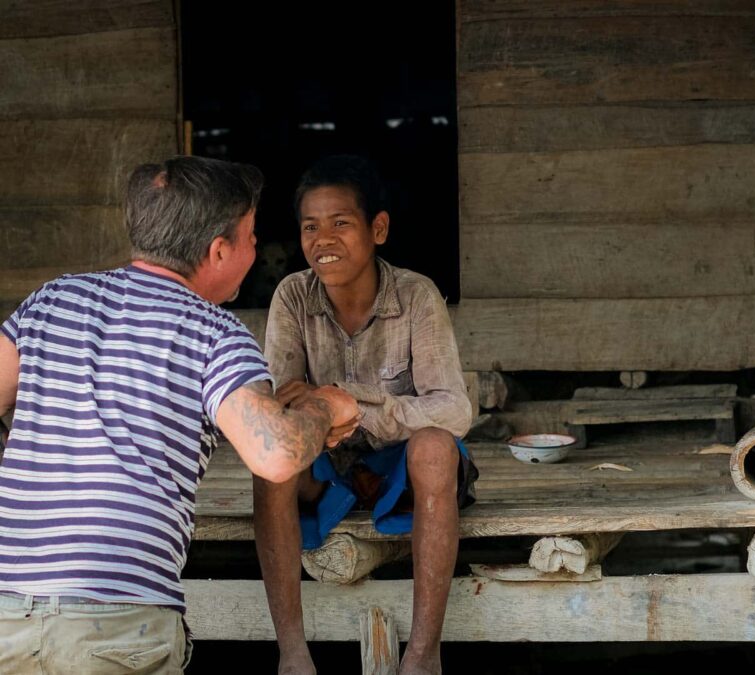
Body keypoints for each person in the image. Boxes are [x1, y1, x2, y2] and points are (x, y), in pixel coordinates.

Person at [0, 156, 360, 674]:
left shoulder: (52, 301)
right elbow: (277, 454)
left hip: (9, 616)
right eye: (251, 236)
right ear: (218, 251)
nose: (257, 249)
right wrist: (326, 405)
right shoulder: (213, 333)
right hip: (118, 629)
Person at [254, 155, 475, 675]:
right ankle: (292, 653)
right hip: (331, 470)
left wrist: (346, 402)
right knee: (271, 461)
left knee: (436, 447)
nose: (322, 240)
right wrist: (318, 409)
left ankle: (423, 655)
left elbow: (454, 409)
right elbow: (278, 403)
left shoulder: (416, 295)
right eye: (311, 227)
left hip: (402, 470)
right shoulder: (292, 296)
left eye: (340, 223)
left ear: (378, 229)